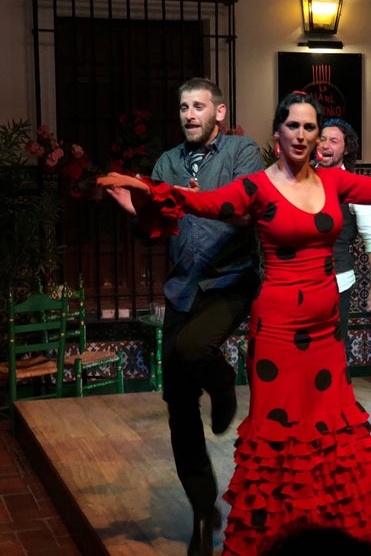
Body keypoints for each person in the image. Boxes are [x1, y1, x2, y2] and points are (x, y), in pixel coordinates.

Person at [97, 91, 371, 556]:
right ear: (277, 135)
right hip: (276, 332)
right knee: (279, 433)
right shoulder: (256, 187)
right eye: (292, 126)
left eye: (309, 127)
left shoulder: (336, 183)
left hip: (324, 335)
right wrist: (150, 193)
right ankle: (275, 539)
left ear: (319, 137)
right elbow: (205, 204)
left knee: (329, 429)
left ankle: (330, 536)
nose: (300, 134)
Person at [104, 77, 263, 556]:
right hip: (183, 287)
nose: (189, 114)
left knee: (194, 348)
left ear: (219, 110)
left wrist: (201, 199)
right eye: (183, 108)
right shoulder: (166, 163)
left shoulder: (241, 152)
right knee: (177, 402)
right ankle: (201, 507)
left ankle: (222, 379)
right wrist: (139, 210)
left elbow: (249, 210)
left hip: (230, 280)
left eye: (198, 106)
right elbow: (159, 224)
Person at [319, 118, 371, 359]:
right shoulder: (301, 180)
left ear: (346, 148)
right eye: (321, 139)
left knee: (333, 350)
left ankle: (339, 395)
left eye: (333, 140)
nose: (325, 145)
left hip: (337, 280)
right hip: (302, 281)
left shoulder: (352, 187)